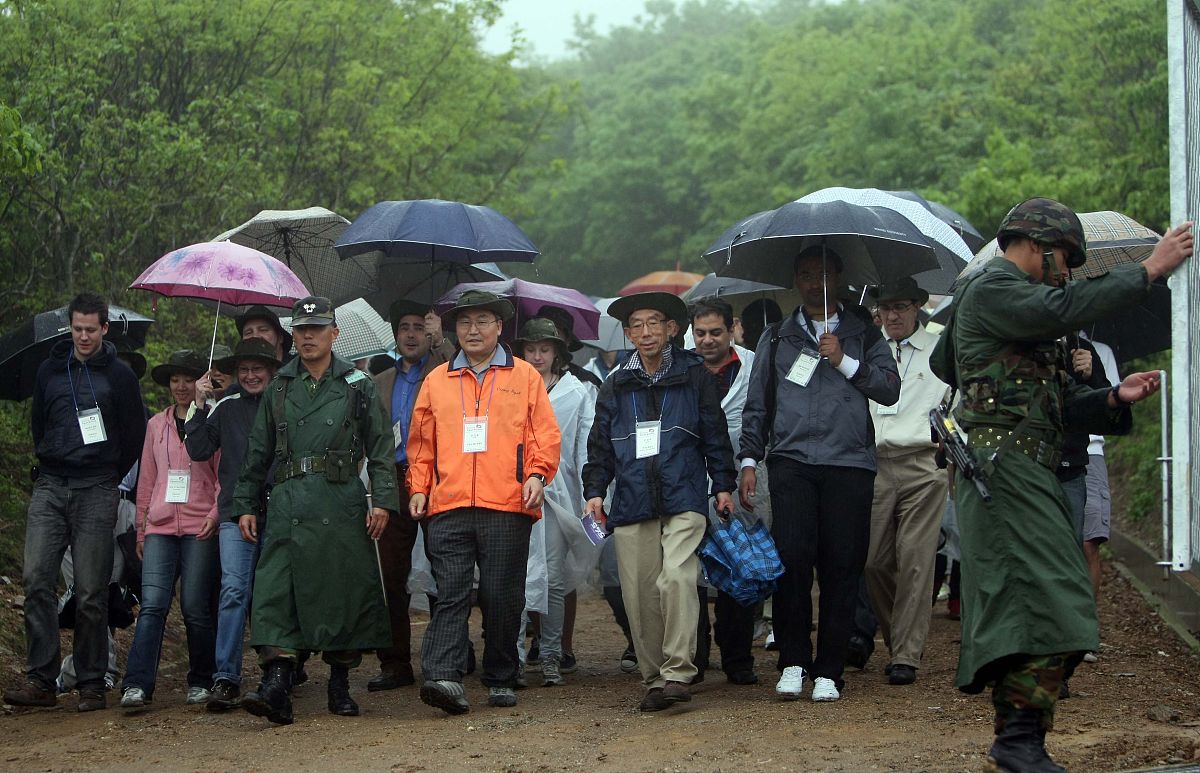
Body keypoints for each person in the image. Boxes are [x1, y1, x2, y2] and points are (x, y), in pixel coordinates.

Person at [929, 198, 1193, 772]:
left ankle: (1020, 739)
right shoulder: (994, 290)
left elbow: (1055, 407)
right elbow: (968, 356)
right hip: (1003, 472)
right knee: (1047, 602)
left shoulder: (1027, 316)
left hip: (1031, 471)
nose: (1068, 270)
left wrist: (1112, 398)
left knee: (1042, 606)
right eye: (1065, 258)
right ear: (1034, 246)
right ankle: (1019, 741)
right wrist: (1149, 268)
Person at [737, 246, 900, 704]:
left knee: (842, 565)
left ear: (839, 276)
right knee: (791, 561)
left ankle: (829, 668)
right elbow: (758, 406)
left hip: (848, 463)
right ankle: (792, 661)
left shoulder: (864, 331)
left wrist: (845, 360)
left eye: (824, 273)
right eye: (806, 274)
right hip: (791, 461)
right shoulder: (778, 336)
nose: (815, 282)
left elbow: (889, 389)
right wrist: (750, 460)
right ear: (796, 280)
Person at [233, 296, 399, 725]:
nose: (308, 337)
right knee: (276, 590)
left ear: (334, 334)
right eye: (301, 330)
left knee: (341, 589)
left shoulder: (358, 385)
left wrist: (381, 499)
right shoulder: (280, 386)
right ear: (293, 335)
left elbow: (381, 448)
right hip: (288, 500)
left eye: (317, 329)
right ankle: (277, 683)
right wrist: (246, 504)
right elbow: (256, 452)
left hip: (340, 497)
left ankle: (339, 683)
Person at [407, 290, 561, 714]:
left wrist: (535, 474)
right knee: (451, 592)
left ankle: (500, 675)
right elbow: (420, 444)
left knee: (501, 595)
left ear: (498, 327)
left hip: (507, 503)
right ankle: (442, 676)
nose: (473, 330)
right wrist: (419, 487)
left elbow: (543, 435)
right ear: (454, 330)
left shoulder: (525, 376)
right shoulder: (437, 380)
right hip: (449, 504)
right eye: (464, 323)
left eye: (482, 322)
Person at [583, 291, 736, 712]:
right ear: (628, 333)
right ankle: (654, 679)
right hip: (632, 499)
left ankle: (678, 671)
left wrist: (722, 484)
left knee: (677, 578)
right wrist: (594, 491)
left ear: (671, 329)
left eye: (655, 323)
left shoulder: (694, 375)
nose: (646, 332)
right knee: (639, 592)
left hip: (683, 493)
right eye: (637, 325)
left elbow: (715, 434)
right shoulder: (615, 383)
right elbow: (600, 447)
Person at [4, 293, 147, 712]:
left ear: (105, 329)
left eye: (91, 329)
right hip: (50, 484)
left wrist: (105, 470)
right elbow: (39, 427)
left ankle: (90, 680)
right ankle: (41, 680)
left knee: (90, 590)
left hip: (97, 487)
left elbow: (133, 435)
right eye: (77, 328)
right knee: (36, 579)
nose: (83, 336)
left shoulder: (120, 376)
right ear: (70, 327)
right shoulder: (49, 370)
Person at [183, 338, 282, 711]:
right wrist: (198, 402)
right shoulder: (225, 408)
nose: (251, 375)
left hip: (277, 511)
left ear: (271, 371)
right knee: (233, 592)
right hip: (232, 513)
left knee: (271, 594)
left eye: (258, 368)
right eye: (244, 369)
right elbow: (198, 450)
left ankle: (278, 672)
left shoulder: (283, 404)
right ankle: (226, 677)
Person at [119, 350, 221, 711]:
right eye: (175, 379)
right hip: (161, 526)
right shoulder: (154, 426)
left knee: (195, 606)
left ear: (201, 382)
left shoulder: (212, 422)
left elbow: (224, 475)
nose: (181, 386)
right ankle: (136, 684)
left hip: (200, 526)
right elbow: (146, 482)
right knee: (153, 605)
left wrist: (215, 511)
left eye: (188, 379)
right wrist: (143, 529)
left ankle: (202, 679)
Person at [861, 277, 950, 687]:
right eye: (885, 307)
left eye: (900, 306)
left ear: (918, 306)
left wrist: (949, 447)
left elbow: (959, 401)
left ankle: (906, 655)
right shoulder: (862, 349)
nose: (892, 315)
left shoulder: (940, 349)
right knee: (873, 561)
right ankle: (899, 639)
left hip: (923, 462)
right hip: (873, 462)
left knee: (916, 558)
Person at [367, 299, 453, 692]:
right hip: (391, 480)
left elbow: (461, 370)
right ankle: (395, 662)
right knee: (390, 573)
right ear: (395, 334)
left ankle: (449, 654)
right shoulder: (380, 381)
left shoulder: (442, 370)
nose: (412, 334)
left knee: (447, 570)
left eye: (420, 327)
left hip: (436, 479)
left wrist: (443, 341)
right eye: (405, 327)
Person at [515, 317, 597, 686]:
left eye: (544, 349)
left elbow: (584, 446)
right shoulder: (511, 388)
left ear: (557, 352)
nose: (537, 356)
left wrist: (589, 493)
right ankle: (513, 655)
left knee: (553, 576)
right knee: (513, 575)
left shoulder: (576, 392)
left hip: (559, 495)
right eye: (530, 349)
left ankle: (552, 654)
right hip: (514, 493)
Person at [689, 297, 759, 685]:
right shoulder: (682, 366)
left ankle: (738, 657)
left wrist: (749, 462)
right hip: (690, 477)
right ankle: (695, 655)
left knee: (738, 564)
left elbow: (760, 416)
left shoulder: (751, 365)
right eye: (700, 333)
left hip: (741, 474)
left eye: (716, 332)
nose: (707, 340)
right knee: (690, 570)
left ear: (732, 328)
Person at [1081, 334, 1120, 612]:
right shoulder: (1033, 341)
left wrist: (1093, 375)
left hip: (1090, 453)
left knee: (1088, 542)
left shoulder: (1101, 350)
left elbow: (1115, 408)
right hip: (1042, 453)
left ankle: (1086, 628)